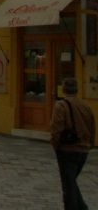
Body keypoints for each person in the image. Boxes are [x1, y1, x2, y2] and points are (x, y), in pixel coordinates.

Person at [50, 77, 96, 210]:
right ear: (77, 90)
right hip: (83, 151)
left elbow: (56, 129)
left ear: (63, 90)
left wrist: (55, 145)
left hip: (67, 150)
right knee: (71, 182)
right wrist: (89, 144)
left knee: (68, 186)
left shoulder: (60, 106)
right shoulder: (85, 106)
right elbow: (92, 127)